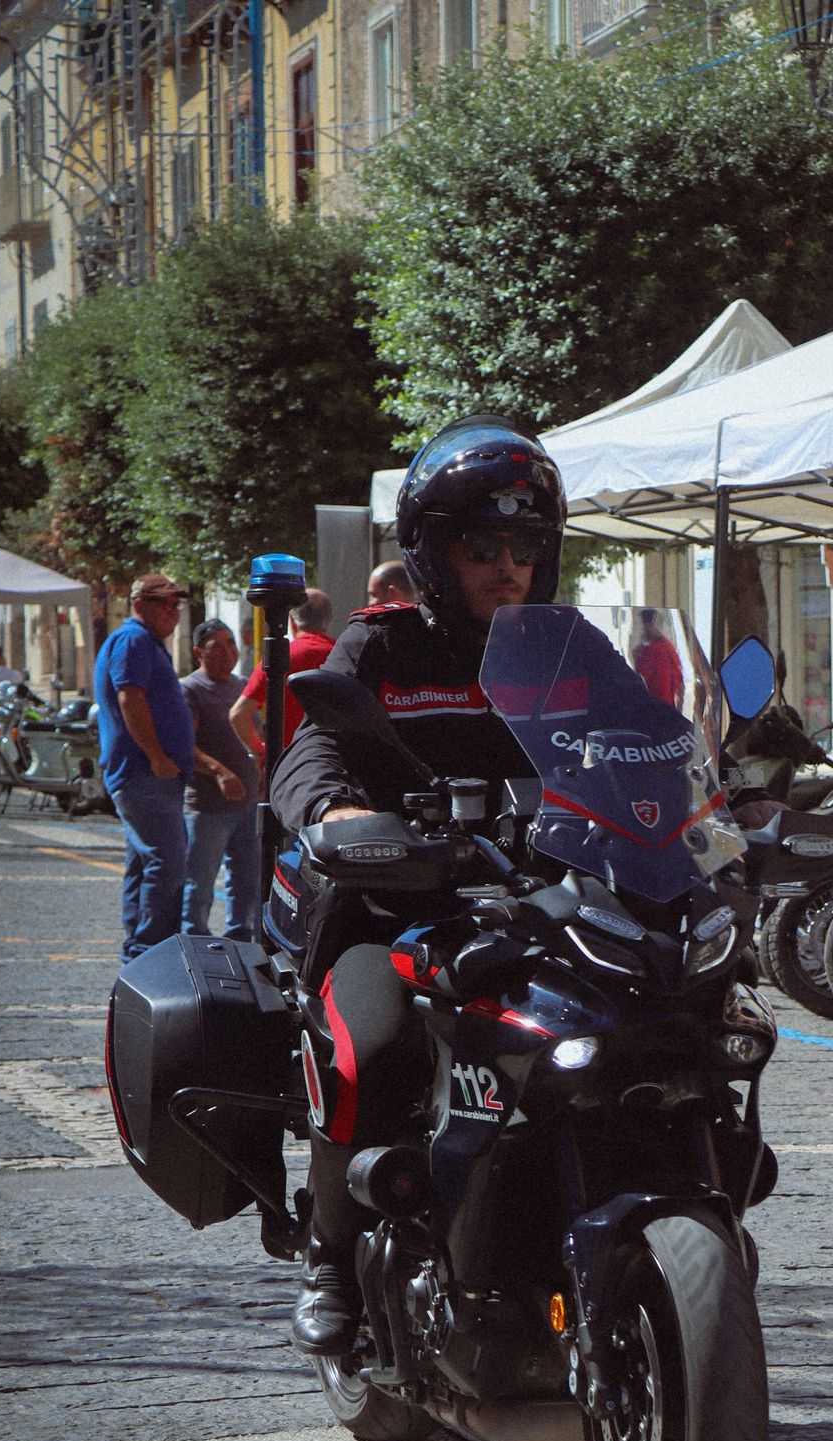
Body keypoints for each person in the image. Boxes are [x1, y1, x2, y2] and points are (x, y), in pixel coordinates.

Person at [270, 413, 565, 1354]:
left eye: (524, 545)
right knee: (378, 1049)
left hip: (541, 907)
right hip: (392, 908)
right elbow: (310, 748)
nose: (506, 565)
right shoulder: (384, 649)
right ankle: (331, 1251)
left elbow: (638, 747)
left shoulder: (564, 652)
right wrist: (335, 813)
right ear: (436, 554)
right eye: (483, 545)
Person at [94, 572, 194, 961]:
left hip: (148, 773)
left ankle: (140, 952)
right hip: (144, 772)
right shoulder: (135, 639)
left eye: (176, 604)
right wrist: (156, 755)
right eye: (164, 603)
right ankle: (151, 951)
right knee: (167, 861)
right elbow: (129, 697)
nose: (173, 612)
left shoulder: (144, 641)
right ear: (139, 604)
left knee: (144, 862)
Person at [180, 620, 260, 943]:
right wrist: (219, 772)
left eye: (230, 643)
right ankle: (193, 940)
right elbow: (185, 745)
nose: (228, 652)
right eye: (217, 645)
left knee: (247, 881)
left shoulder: (243, 686)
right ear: (198, 652)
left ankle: (240, 940)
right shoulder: (190, 689)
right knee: (199, 882)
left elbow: (257, 735)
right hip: (208, 806)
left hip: (249, 803)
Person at [229, 588, 336, 764]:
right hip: (333, 763)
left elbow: (238, 714)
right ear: (329, 620)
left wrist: (260, 752)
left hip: (288, 764)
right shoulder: (341, 655)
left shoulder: (281, 655)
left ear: (291, 622)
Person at [631, 608, 685, 710]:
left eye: (643, 627)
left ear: (648, 625)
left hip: (657, 707)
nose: (642, 631)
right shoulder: (667, 645)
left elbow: (639, 679)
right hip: (669, 704)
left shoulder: (653, 649)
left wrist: (636, 658)